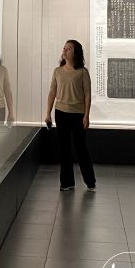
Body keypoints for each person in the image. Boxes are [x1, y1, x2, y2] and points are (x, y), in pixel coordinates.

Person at [45, 39, 96, 191]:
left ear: (76, 52)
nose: (65, 50)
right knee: (64, 149)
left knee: (81, 148)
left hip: (78, 114)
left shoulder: (82, 72)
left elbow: (87, 95)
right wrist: (48, 113)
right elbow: (52, 92)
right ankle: (67, 182)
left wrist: (86, 115)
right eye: (64, 48)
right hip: (61, 113)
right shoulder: (57, 71)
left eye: (69, 48)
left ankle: (90, 181)